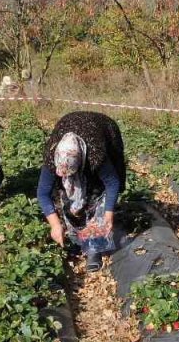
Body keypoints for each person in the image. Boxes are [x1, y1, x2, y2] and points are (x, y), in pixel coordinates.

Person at [37, 111, 126, 272]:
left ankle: (94, 247)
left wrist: (108, 215)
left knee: (97, 193)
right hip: (68, 123)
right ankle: (76, 238)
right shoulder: (51, 157)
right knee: (65, 194)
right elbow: (43, 193)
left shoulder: (96, 155)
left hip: (104, 130)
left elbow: (112, 183)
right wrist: (55, 224)